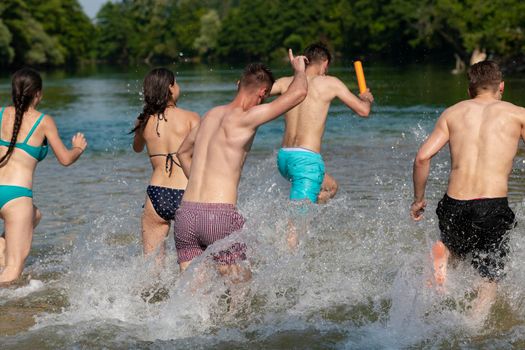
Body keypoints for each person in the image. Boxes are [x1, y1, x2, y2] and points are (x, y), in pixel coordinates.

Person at [175, 50, 308, 275]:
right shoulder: (247, 117)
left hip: (186, 215)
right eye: (263, 98)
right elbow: (299, 93)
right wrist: (299, 70)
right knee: (241, 288)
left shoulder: (210, 115)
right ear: (263, 92)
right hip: (219, 216)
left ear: (239, 84)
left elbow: (182, 152)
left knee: (192, 293)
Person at [410, 61, 524, 313]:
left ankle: (444, 260)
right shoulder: (518, 114)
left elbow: (422, 158)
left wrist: (418, 200)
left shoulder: (452, 113)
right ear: (501, 86)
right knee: (489, 277)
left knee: (457, 252)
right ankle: (473, 327)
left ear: (469, 89)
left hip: (454, 203)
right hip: (492, 205)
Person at [0, 68, 87, 285]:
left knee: (35, 216)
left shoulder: (1, 113)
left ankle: (4, 245)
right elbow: (65, 159)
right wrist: (77, 148)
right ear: (38, 94)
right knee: (14, 267)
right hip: (16, 196)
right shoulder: (43, 121)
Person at [271, 43, 374, 204]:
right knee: (296, 223)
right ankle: (296, 224)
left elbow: (258, 90)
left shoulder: (286, 82)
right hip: (306, 161)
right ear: (325, 62)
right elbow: (363, 111)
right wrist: (366, 98)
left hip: (284, 159)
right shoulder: (330, 83)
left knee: (330, 188)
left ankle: (307, 219)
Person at [132, 68, 199, 264]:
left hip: (155, 195)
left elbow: (137, 148)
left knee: (152, 266)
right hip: (185, 192)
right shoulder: (191, 118)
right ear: (171, 87)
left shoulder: (144, 120)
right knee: (189, 264)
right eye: (176, 83)